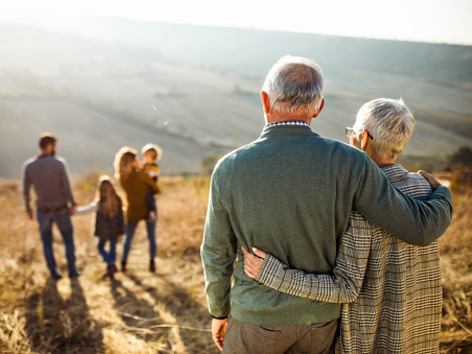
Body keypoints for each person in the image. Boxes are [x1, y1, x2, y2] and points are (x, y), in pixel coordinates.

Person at [200, 56, 453, 353]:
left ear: (265, 101)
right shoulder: (349, 162)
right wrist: (442, 195)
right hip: (320, 323)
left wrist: (219, 311)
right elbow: (417, 228)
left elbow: (216, 253)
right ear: (319, 107)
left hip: (255, 318)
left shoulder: (229, 167)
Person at [243, 98, 444, 353]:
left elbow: (346, 288)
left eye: (351, 133)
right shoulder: (426, 189)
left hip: (370, 340)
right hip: (419, 335)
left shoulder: (355, 202)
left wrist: (274, 274)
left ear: (362, 138)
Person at [22, 132, 81, 279]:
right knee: (68, 239)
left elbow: (25, 190)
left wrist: (28, 208)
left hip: (42, 210)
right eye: (55, 146)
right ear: (49, 146)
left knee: (47, 242)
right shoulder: (59, 163)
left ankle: (54, 272)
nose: (56, 149)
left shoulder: (29, 165)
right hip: (60, 209)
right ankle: (72, 270)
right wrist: (72, 203)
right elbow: (66, 187)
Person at [114, 146, 160, 273]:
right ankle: (152, 263)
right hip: (148, 207)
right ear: (132, 161)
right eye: (136, 158)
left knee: (128, 237)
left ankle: (123, 263)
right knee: (151, 236)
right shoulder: (142, 175)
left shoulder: (122, 178)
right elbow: (156, 188)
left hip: (132, 208)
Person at [75, 175, 125, 279]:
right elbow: (122, 215)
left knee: (100, 247)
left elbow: (87, 210)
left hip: (104, 230)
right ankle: (111, 267)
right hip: (115, 229)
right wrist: (121, 228)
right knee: (112, 248)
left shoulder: (100, 202)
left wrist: (74, 211)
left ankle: (111, 264)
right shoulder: (118, 199)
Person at [140, 143, 162, 222]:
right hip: (144, 186)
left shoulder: (154, 167)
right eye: (144, 156)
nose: (145, 158)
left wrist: (144, 171)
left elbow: (151, 175)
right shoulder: (144, 165)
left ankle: (152, 211)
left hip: (151, 186)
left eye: (147, 156)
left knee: (149, 196)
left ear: (153, 157)